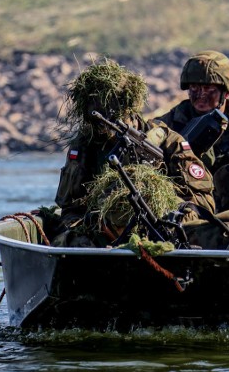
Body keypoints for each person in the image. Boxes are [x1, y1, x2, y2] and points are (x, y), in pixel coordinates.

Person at [51, 59, 215, 247]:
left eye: (112, 115)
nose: (104, 126)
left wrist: (160, 197)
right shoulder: (85, 145)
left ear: (129, 108)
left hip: (163, 228)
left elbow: (204, 204)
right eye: (98, 119)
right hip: (104, 234)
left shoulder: (168, 141)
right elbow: (70, 209)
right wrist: (94, 220)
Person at [152, 50, 229, 212]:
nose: (200, 95)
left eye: (208, 89)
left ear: (226, 93)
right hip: (190, 207)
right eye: (194, 88)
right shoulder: (169, 125)